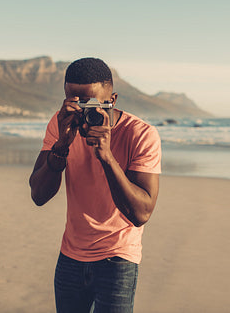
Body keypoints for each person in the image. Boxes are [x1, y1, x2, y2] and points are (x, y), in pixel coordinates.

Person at [29, 57, 161, 313]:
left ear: (112, 99)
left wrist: (106, 156)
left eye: (91, 103)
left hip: (118, 259)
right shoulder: (60, 125)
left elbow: (141, 213)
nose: (82, 111)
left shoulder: (141, 134)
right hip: (71, 256)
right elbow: (38, 194)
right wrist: (62, 145)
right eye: (74, 103)